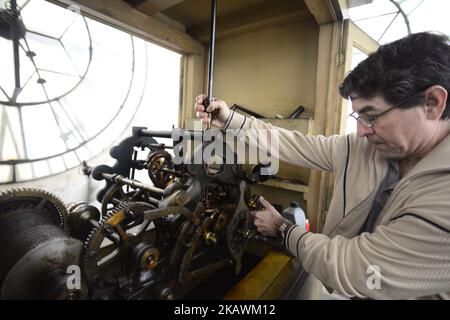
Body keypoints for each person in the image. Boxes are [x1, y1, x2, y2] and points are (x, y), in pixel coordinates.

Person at [194, 32, 450, 299]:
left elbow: (359, 272)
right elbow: (294, 144)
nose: (361, 132)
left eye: (372, 117)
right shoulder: (362, 148)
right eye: (358, 117)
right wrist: (231, 121)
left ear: (432, 103)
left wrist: (283, 229)